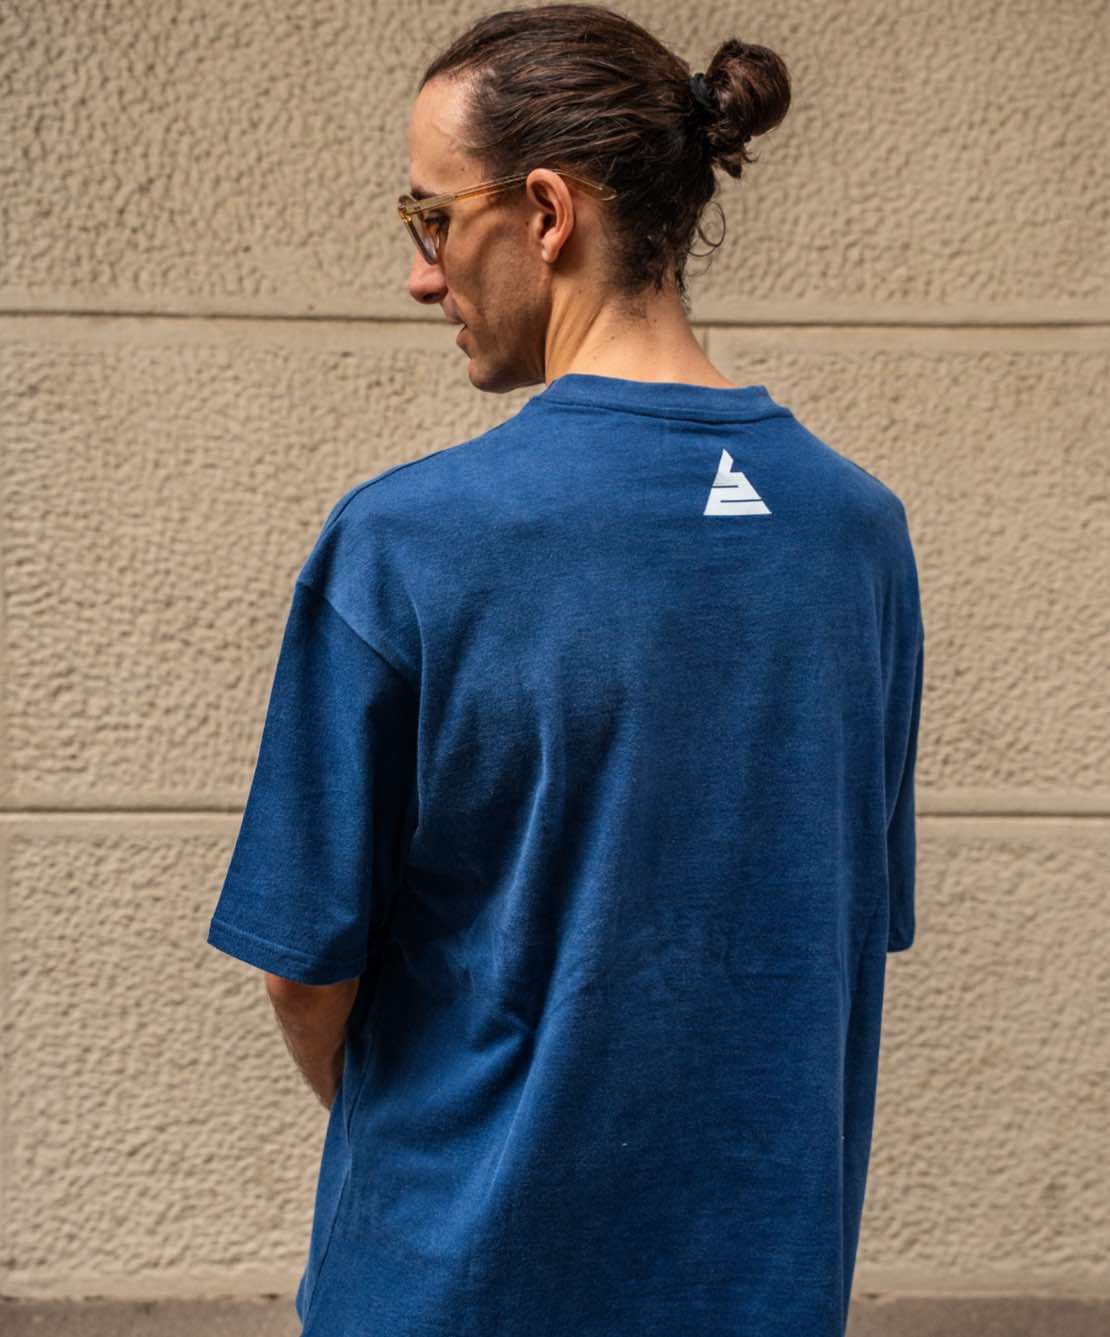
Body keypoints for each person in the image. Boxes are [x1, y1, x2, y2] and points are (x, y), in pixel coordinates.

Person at [205, 6, 925, 1336]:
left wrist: (444, 1153)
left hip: (451, 1288)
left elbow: (304, 969)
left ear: (544, 211)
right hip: (758, 1292)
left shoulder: (409, 539)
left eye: (430, 219)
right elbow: (827, 935)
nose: (420, 275)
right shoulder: (857, 535)